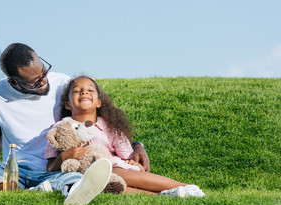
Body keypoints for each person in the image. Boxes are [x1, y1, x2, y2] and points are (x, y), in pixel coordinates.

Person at [0, 43, 149, 205]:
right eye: (35, 82)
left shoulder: (60, 83)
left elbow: (94, 118)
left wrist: (136, 145)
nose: (44, 82)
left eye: (44, 73)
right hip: (14, 171)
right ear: (13, 82)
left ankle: (45, 189)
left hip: (56, 170)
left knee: (77, 178)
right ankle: (17, 187)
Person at [45, 76, 205, 197]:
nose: (84, 92)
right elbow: (50, 168)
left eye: (90, 90)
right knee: (104, 185)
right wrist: (64, 157)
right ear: (67, 104)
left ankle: (184, 187)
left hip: (113, 167)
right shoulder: (61, 129)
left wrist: (132, 162)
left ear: (98, 103)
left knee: (114, 171)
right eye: (77, 91)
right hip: (83, 176)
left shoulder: (109, 127)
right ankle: (161, 195)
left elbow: (127, 155)